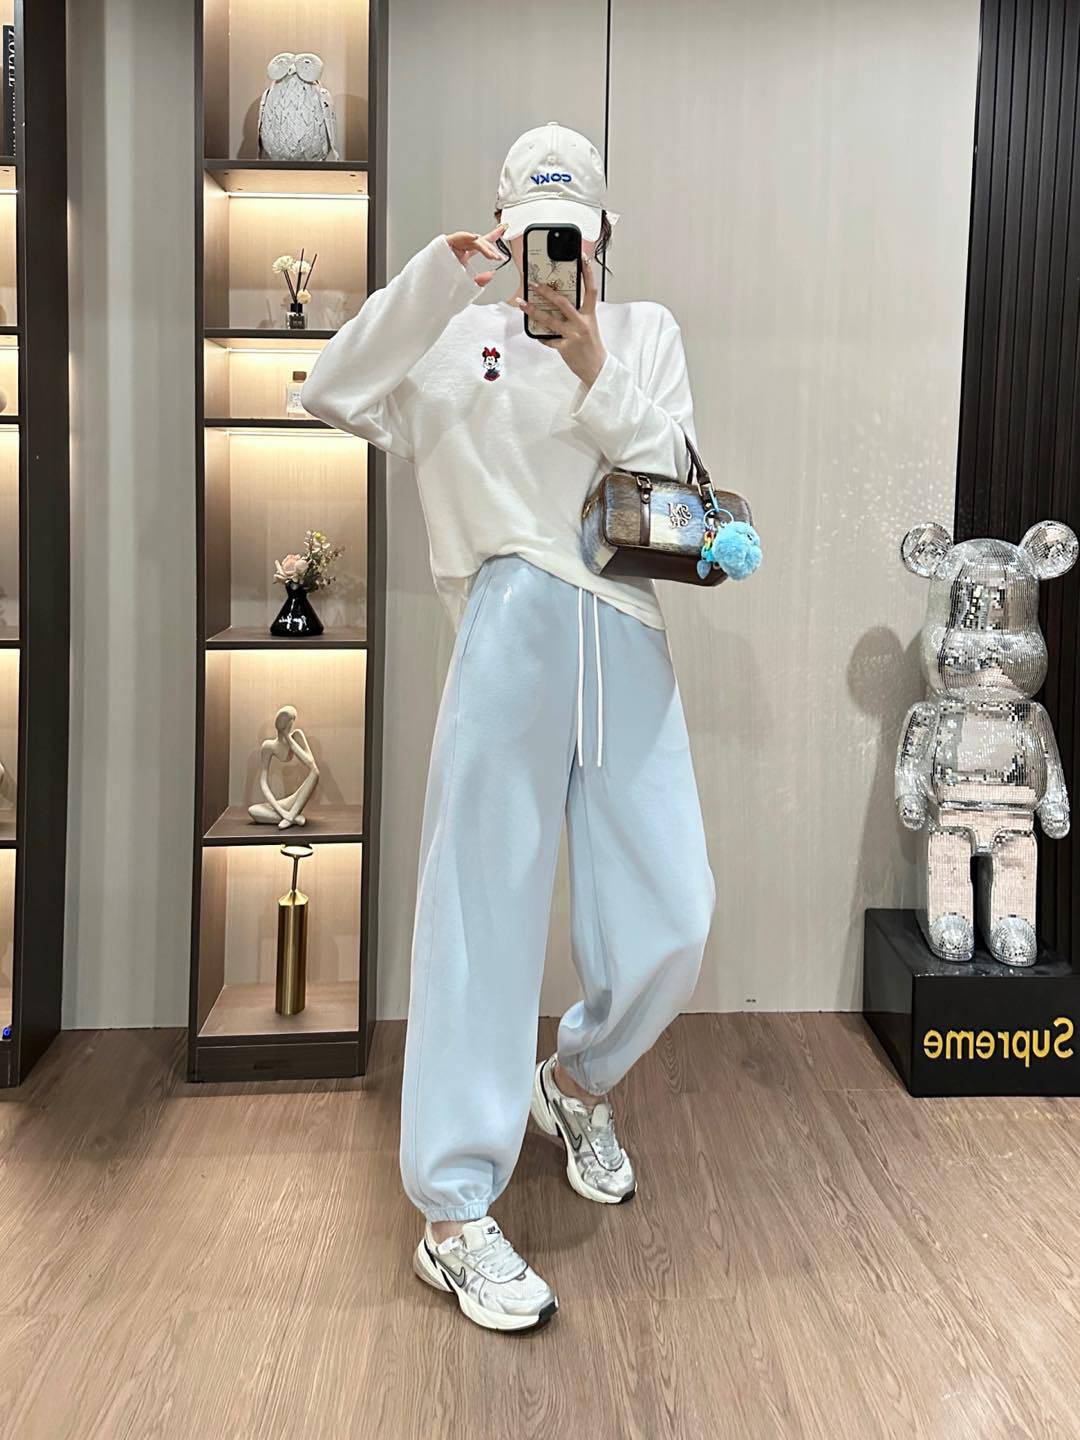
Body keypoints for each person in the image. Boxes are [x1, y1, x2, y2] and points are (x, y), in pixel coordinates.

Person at [302, 121, 716, 1333]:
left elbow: (679, 478)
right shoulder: (450, 340)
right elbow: (331, 389)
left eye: (571, 238)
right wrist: (439, 279)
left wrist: (593, 364)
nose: (555, 261)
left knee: (676, 913)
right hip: (509, 625)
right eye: (535, 236)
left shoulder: (643, 333)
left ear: (604, 236)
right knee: (478, 919)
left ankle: (575, 1082)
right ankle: (452, 1214)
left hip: (625, 627)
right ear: (502, 230)